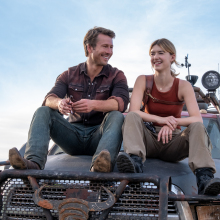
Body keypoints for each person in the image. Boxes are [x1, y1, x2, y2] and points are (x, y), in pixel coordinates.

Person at [9, 27, 129, 173]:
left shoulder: (117, 75)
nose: (109, 51)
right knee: (43, 110)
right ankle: (33, 162)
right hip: (72, 136)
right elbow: (49, 99)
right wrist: (59, 103)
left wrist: (93, 105)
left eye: (111, 47)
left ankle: (101, 164)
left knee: (116, 115)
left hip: (100, 135)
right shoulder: (69, 74)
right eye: (105, 46)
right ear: (89, 47)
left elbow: (120, 103)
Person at [116, 38, 220, 195]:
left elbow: (197, 119)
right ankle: (135, 163)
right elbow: (133, 111)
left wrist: (171, 123)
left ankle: (204, 178)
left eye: (160, 53)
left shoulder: (183, 86)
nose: (155, 57)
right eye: (152, 54)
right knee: (131, 117)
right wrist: (161, 119)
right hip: (148, 140)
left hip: (174, 143)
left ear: (172, 57)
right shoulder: (143, 80)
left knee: (198, 127)